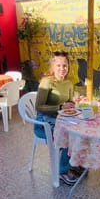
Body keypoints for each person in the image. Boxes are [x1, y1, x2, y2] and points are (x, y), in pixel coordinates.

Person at [34, 50, 83, 186]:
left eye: (65, 65)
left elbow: (70, 103)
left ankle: (74, 163)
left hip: (61, 120)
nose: (62, 69)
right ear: (53, 66)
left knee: (81, 128)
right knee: (69, 133)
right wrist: (60, 107)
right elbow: (38, 106)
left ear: (68, 66)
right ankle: (62, 171)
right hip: (43, 123)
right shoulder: (47, 82)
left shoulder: (68, 83)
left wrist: (73, 102)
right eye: (59, 65)